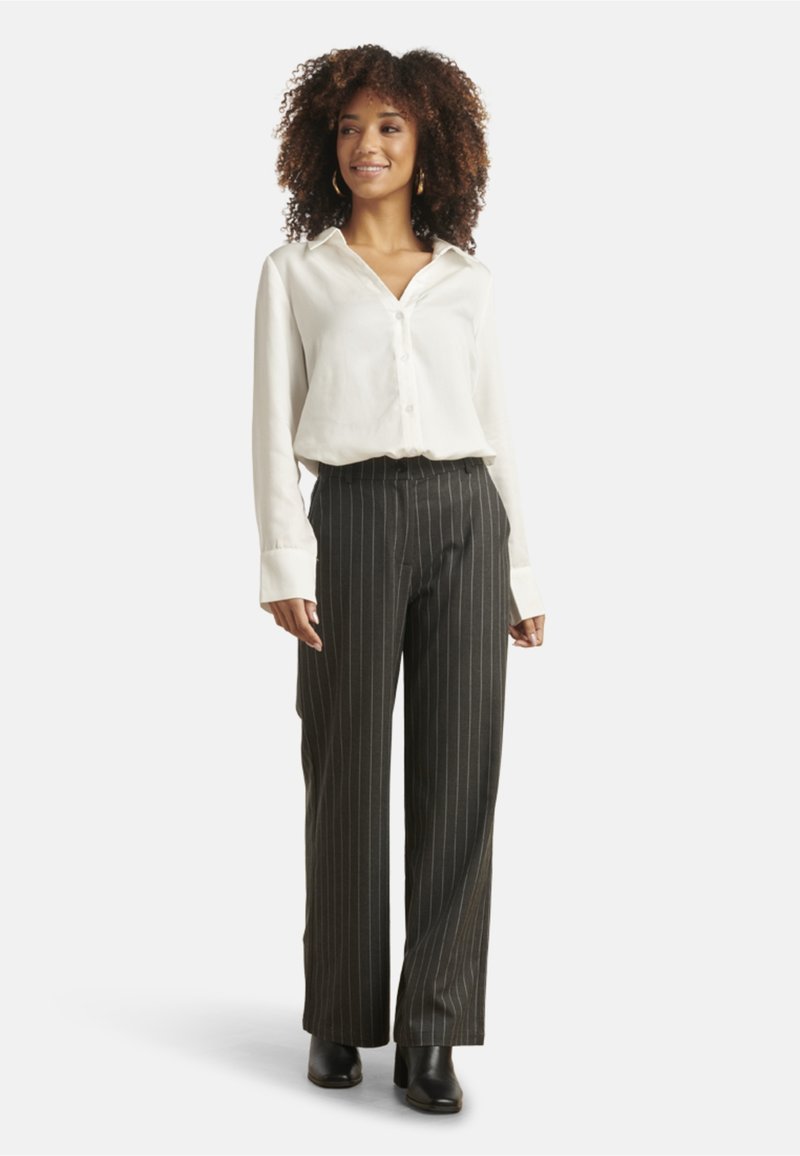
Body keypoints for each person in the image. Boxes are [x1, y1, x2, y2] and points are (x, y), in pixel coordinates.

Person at [252, 44, 546, 1114]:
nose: (365, 145)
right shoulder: (295, 273)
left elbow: (499, 425)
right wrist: (284, 559)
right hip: (354, 517)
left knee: (461, 774)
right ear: (323, 146)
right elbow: (269, 426)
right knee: (344, 767)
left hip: (467, 516)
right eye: (348, 128)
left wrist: (520, 571)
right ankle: (339, 1010)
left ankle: (434, 1029)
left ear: (429, 146)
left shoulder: (469, 281)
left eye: (388, 127)